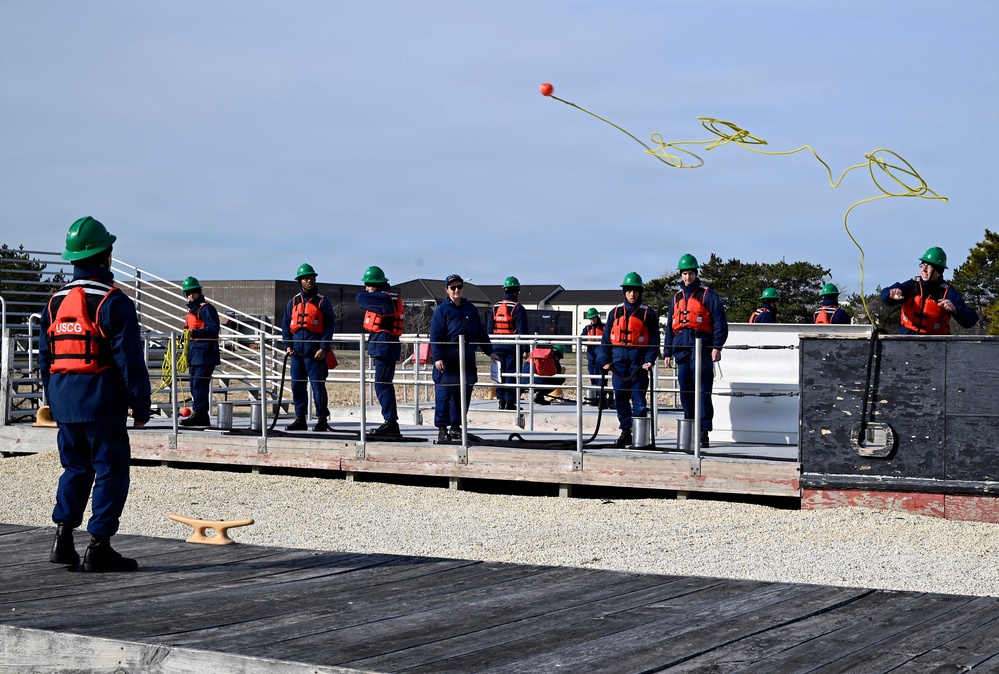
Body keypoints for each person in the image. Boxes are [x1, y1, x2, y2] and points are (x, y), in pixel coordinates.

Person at [39, 216, 151, 572]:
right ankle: (99, 546)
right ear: (107, 255)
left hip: (64, 402)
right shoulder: (113, 301)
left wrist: (53, 399)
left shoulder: (54, 302)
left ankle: (63, 538)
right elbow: (129, 360)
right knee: (111, 471)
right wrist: (141, 404)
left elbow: (46, 357)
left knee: (74, 468)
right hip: (102, 401)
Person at [663, 254, 729, 448]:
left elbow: (719, 322)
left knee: (703, 391)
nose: (687, 277)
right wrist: (667, 352)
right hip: (682, 350)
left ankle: (703, 431)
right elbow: (669, 327)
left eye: (690, 273)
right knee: (686, 391)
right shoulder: (675, 298)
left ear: (696, 273)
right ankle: (689, 427)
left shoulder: (708, 294)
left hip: (702, 349)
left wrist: (717, 346)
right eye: (684, 273)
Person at [429, 274, 499, 443]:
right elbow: (436, 336)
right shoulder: (442, 311)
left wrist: (490, 351)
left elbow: (480, 333)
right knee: (444, 395)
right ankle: (442, 429)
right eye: (452, 288)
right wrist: (438, 358)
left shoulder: (470, 309)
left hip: (466, 360)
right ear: (447, 290)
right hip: (447, 360)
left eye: (459, 287)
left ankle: (456, 427)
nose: (456, 290)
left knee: (463, 395)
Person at [598, 272, 661, 448]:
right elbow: (605, 340)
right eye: (628, 291)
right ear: (624, 292)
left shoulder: (648, 313)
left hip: (639, 364)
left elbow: (654, 340)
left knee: (639, 398)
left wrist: (650, 359)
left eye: (635, 291)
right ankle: (625, 431)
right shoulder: (615, 312)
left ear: (640, 292)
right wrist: (605, 360)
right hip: (618, 363)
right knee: (620, 398)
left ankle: (640, 436)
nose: (632, 294)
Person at [281, 263, 335, 432]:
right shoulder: (292, 302)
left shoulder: (322, 302)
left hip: (315, 354)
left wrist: (323, 347)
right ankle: (300, 418)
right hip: (296, 354)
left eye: (311, 278)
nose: (309, 280)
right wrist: (287, 345)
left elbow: (329, 326)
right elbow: (285, 326)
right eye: (306, 278)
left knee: (318, 388)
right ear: (300, 281)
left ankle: (321, 419)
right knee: (297, 387)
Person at [880, 247, 978, 334]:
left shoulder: (947, 292)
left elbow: (971, 320)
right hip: (906, 342)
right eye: (923, 265)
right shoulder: (912, 285)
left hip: (936, 346)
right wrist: (890, 295)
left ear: (939, 271)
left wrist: (956, 310)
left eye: (929, 266)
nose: (924, 270)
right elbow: (884, 293)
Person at [356, 265, 403, 438]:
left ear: (378, 284)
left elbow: (360, 298)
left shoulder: (384, 300)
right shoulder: (386, 298)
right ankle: (390, 421)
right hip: (383, 345)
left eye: (369, 284)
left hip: (385, 345)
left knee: (382, 383)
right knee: (383, 383)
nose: (366, 288)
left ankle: (391, 422)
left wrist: (368, 293)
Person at [180, 276, 220, 428]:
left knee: (199, 385)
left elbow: (213, 328)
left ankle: (201, 414)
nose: (190, 295)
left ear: (198, 292)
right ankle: (199, 413)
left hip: (205, 354)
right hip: (194, 354)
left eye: (193, 292)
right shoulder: (192, 312)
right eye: (188, 293)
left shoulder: (206, 309)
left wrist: (195, 334)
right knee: (194, 385)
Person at [487, 275, 528, 410]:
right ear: (516, 291)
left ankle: (501, 400)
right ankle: (510, 402)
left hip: (497, 345)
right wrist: (526, 349)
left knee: (500, 374)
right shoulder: (517, 308)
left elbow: (489, 329)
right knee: (511, 373)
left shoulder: (495, 307)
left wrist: (490, 347)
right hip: (512, 346)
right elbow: (523, 331)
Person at [581, 308, 610, 407]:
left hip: (601, 354)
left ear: (597, 317)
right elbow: (581, 338)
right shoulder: (587, 328)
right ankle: (595, 397)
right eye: (590, 318)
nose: (592, 320)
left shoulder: (604, 327)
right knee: (593, 376)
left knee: (601, 377)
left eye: (593, 318)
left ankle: (602, 397)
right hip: (591, 354)